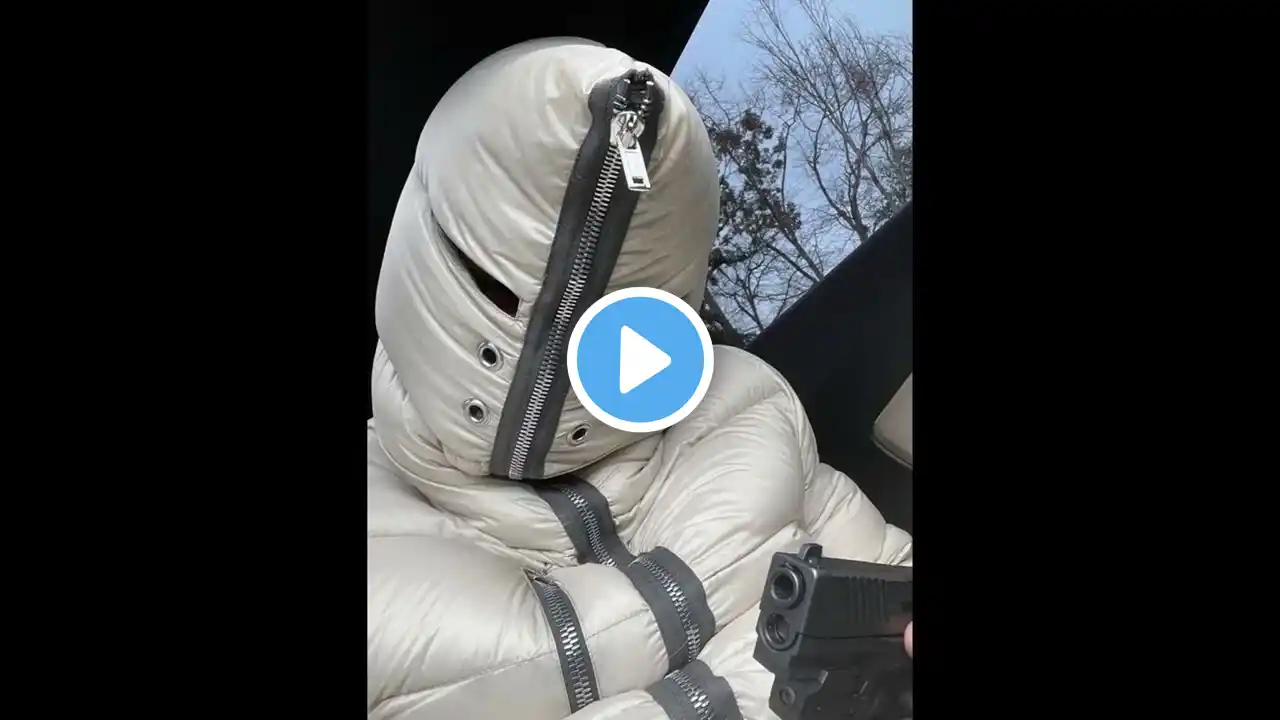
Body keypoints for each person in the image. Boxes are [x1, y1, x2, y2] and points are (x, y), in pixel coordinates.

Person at [366, 38, 913, 720]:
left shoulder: (748, 406)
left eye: (623, 298)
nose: (553, 351)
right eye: (492, 288)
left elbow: (888, 582)